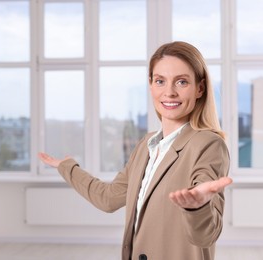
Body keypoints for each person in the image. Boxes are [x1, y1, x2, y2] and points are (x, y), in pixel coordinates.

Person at [38, 41, 231, 260]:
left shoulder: (208, 144)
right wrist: (67, 167)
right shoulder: (147, 145)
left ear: (200, 88)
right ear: (151, 85)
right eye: (160, 81)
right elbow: (109, 198)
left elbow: (205, 236)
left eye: (182, 82)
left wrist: (198, 207)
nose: (169, 92)